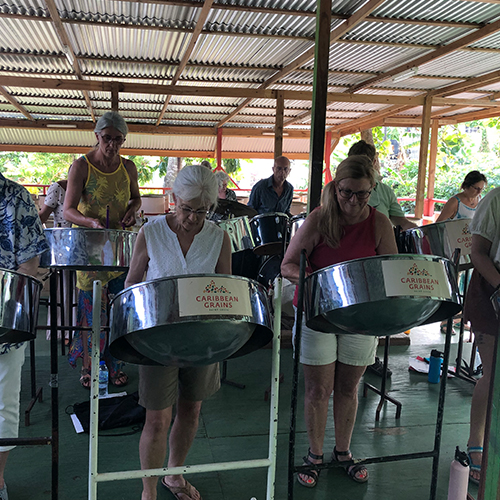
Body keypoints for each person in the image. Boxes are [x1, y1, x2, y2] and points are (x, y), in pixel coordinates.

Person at [281, 155, 397, 488]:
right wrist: (320, 282)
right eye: (347, 192)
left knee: (348, 387)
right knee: (318, 389)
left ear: (372, 190)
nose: (353, 200)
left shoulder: (379, 223)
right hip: (318, 312)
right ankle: (315, 454)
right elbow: (288, 265)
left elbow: (388, 270)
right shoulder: (319, 219)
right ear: (336, 187)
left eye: (362, 194)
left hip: (360, 317)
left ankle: (343, 451)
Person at [124, 165, 231, 500]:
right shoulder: (151, 232)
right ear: (174, 199)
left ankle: (174, 475)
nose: (193, 218)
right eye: (186, 209)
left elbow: (227, 290)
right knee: (156, 418)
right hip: (158, 338)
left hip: (202, 339)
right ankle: (149, 490)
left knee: (191, 410)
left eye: (202, 211)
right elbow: (131, 283)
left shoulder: (218, 237)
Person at [63, 111, 141, 389]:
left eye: (118, 140)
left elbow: (136, 199)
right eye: (107, 138)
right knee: (91, 308)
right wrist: (89, 221)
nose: (112, 145)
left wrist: (132, 212)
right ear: (97, 136)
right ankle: (89, 366)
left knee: (120, 305)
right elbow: (68, 209)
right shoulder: (81, 166)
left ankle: (115, 363)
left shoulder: (129, 167)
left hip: (119, 247)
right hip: (89, 247)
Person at [348, 140, 416, 377]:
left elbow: (400, 220)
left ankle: (370, 358)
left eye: (368, 161)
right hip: (351, 259)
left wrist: (421, 232)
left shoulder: (385, 191)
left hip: (379, 260)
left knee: (375, 311)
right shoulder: (340, 189)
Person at [0, 173, 49, 500]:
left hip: (4, 320)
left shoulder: (14, 197)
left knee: (4, 404)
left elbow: (31, 265)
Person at [462, 186, 500, 486]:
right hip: (492, 286)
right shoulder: (496, 199)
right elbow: (477, 252)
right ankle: (478, 443)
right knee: (494, 373)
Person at [348, 140, 417, 231]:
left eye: (364, 163)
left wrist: (422, 232)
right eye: (356, 163)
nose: (360, 167)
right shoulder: (338, 190)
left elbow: (401, 222)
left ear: (374, 162)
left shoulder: (385, 191)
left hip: (380, 241)